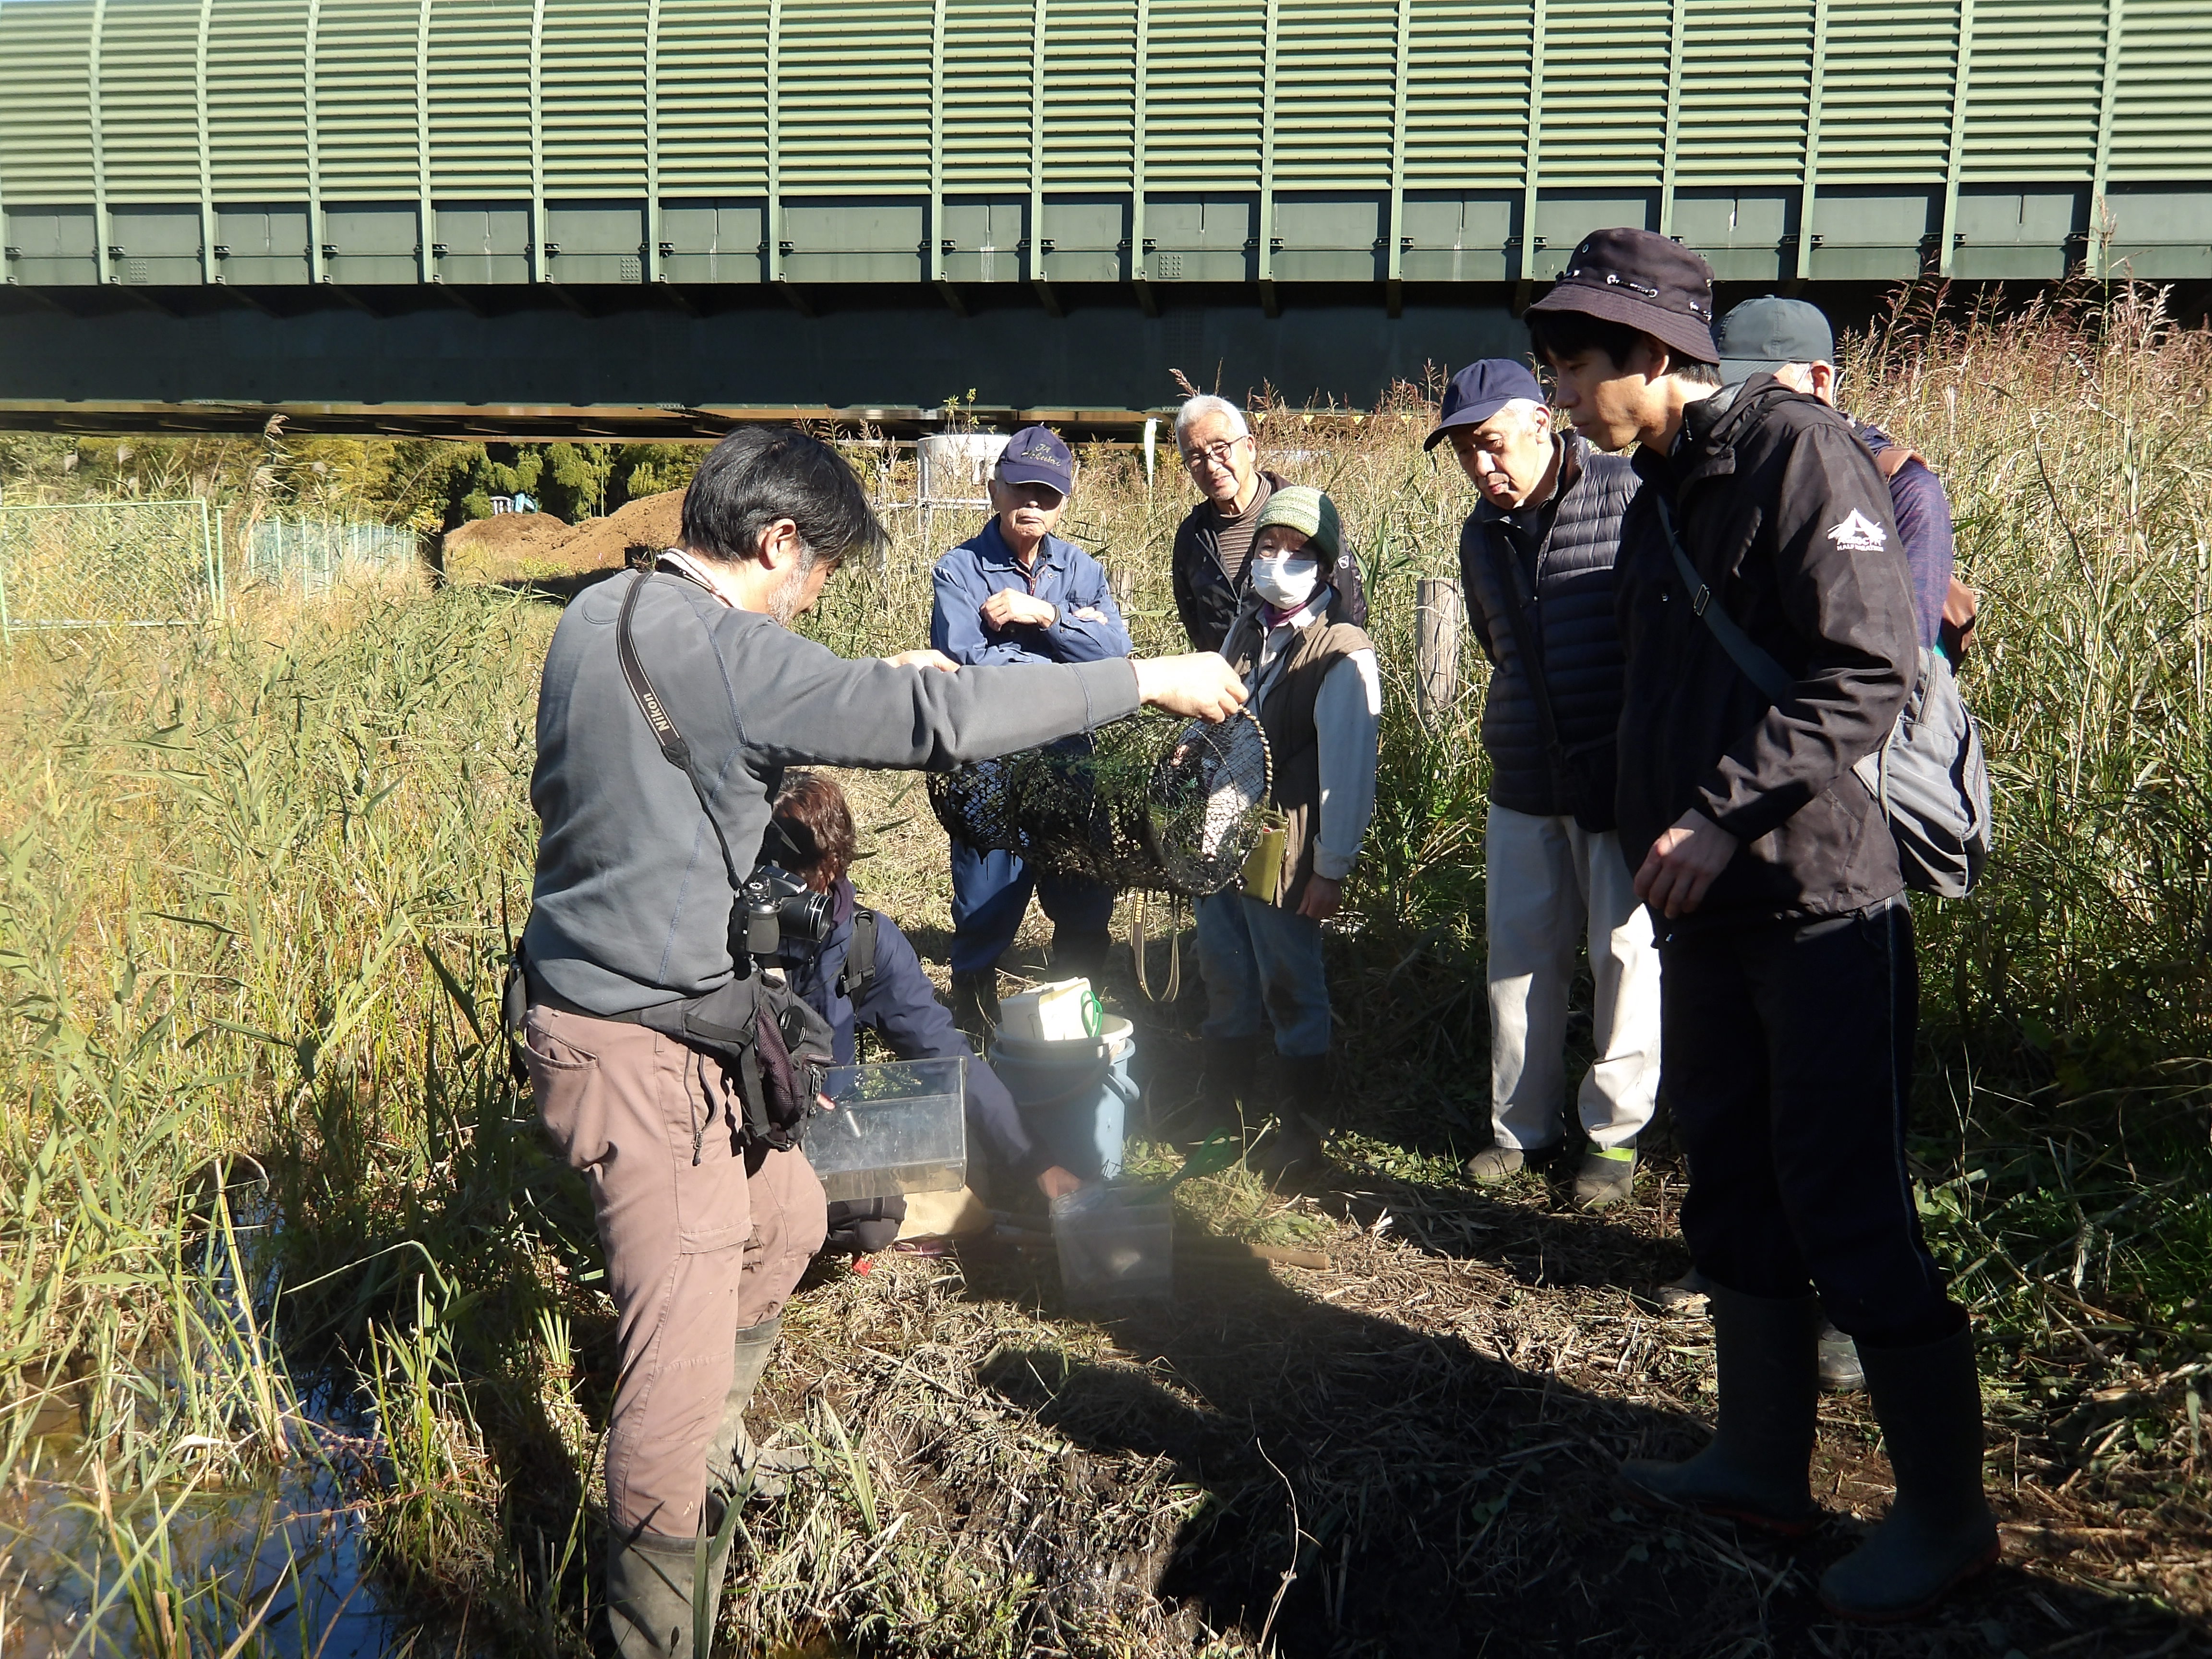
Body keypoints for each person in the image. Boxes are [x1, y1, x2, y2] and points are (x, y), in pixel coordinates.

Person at [515, 425, 1245, 1659]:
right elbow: (933, 718)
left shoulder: (604, 614)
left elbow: (713, 730)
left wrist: (844, 672)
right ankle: (655, 1609)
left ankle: (715, 1449)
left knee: (790, 1217)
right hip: (643, 1052)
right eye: (815, 578)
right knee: (673, 1372)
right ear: (778, 539)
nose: (808, 605)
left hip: (629, 1017)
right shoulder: (727, 648)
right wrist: (1143, 679)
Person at [1525, 229, 1997, 1622]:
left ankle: (1947, 1515)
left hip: (1816, 902)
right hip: (1710, 911)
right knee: (1729, 1175)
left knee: (1845, 1196)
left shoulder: (1794, 454)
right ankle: (1759, 1459)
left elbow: (1869, 667)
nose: (1557, 384)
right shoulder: (1663, 480)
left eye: (1573, 359)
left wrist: (1721, 812)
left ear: (1655, 359)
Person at [1432, 358, 1659, 1211]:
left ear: (1539, 421)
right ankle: (1519, 1128)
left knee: (1623, 956)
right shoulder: (1478, 535)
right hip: (1523, 771)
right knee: (1519, 959)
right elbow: (1497, 645)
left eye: (1490, 444)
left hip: (1613, 772)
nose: (1481, 466)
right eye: (1464, 453)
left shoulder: (1626, 489)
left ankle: (1613, 1133)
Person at [766, 769, 1083, 1252]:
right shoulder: (713, 934)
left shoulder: (864, 943)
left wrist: (1037, 1162)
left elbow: (949, 1060)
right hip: (730, 1122)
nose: (777, 886)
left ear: (833, 866)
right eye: (767, 866)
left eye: (797, 870)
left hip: (823, 1128)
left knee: (913, 1192)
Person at [1196, 485, 1382, 1182]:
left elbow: (1348, 769)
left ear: (1326, 567)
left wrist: (1331, 867)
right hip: (1218, 839)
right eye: (1268, 547)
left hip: (1288, 847)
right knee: (1224, 973)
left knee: (1291, 986)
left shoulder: (1341, 650)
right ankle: (1224, 1114)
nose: (1277, 561)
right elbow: (1218, 714)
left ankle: (1302, 1134)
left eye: (1297, 552)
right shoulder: (1249, 626)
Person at [930, 425, 1131, 1034]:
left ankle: (1076, 1018)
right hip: (991, 758)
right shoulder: (960, 570)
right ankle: (974, 1020)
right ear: (994, 489)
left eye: (1047, 495)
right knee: (986, 893)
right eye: (1021, 489)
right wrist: (1062, 666)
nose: (1034, 505)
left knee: (1085, 891)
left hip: (1071, 756)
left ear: (1063, 501)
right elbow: (965, 662)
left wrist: (1041, 613)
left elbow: (1115, 652)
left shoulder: (1082, 569)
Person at [1712, 295, 1977, 664]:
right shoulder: (1716, 469)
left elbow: (1898, 666)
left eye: (1755, 391)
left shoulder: (1902, 489)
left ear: (1819, 381)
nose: (1731, 407)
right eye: (1721, 390)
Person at [1170, 393, 1368, 655]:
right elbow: (1195, 623)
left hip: (1308, 675)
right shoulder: (1193, 539)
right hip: (1232, 689)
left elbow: (1347, 602)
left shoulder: (1304, 514)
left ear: (1250, 447)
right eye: (1196, 458)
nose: (1212, 466)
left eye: (1221, 448)